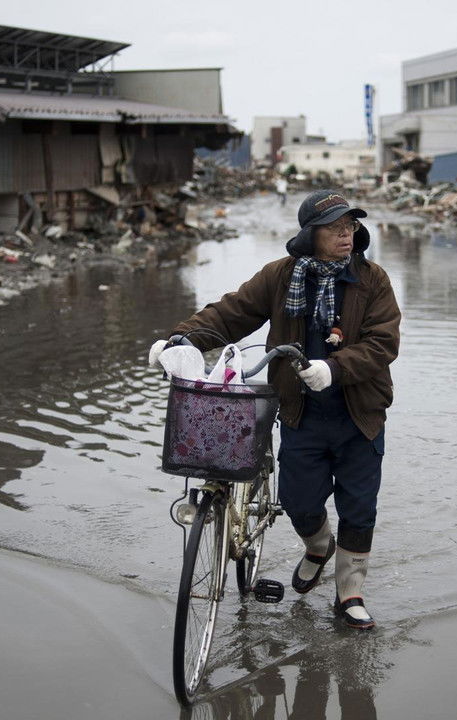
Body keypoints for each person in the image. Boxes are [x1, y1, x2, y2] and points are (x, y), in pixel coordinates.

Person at [149, 189, 401, 629]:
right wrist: (180, 339)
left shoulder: (372, 279)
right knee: (297, 501)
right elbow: (231, 314)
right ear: (310, 235)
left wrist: (335, 367)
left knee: (359, 507)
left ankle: (350, 593)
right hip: (301, 412)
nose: (347, 234)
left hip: (359, 413)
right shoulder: (281, 277)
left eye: (351, 226)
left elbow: (383, 343)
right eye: (335, 228)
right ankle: (318, 546)